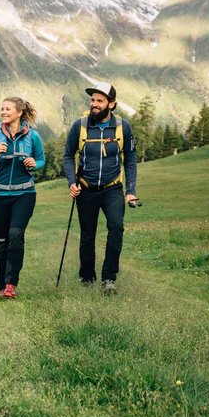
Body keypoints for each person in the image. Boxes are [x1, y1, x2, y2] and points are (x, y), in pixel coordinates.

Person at [63, 82, 138, 293]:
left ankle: (109, 279)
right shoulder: (80, 125)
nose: (94, 104)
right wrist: (72, 181)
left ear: (111, 104)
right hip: (85, 189)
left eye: (99, 101)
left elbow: (131, 160)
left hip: (112, 188)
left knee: (116, 227)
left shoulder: (124, 127)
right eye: (93, 100)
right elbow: (68, 156)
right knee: (88, 233)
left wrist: (131, 190)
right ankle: (87, 277)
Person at [0, 97, 45, 299]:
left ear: (19, 113)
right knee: (2, 241)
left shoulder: (33, 137)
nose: (3, 112)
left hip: (24, 194)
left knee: (16, 234)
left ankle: (10, 285)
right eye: (2, 109)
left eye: (8, 109)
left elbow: (41, 160)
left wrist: (35, 163)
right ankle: (1, 284)